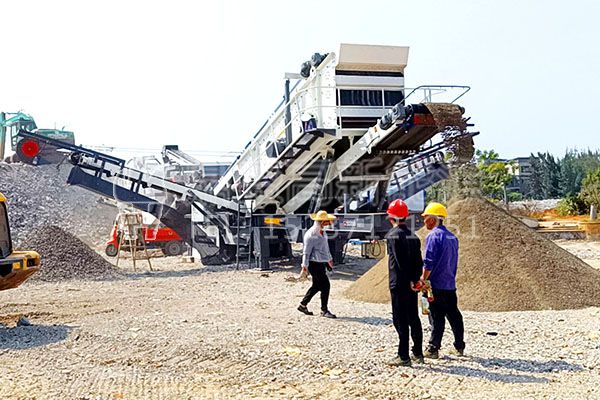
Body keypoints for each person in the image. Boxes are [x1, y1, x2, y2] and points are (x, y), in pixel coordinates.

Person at [420, 202, 465, 359]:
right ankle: (459, 346)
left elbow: (429, 262)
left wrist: (423, 279)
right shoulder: (452, 237)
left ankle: (433, 348)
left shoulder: (433, 236)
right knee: (454, 314)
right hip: (449, 283)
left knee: (436, 316)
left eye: (425, 218)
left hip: (436, 284)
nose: (424, 221)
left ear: (433, 219)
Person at [385, 199, 424, 367]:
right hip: (411, 284)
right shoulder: (414, 236)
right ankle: (418, 353)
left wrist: (407, 280)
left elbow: (400, 262)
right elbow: (418, 261)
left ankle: (403, 356)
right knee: (413, 317)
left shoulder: (393, 235)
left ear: (391, 217)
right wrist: (415, 280)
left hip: (399, 283)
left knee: (400, 320)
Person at [297, 210, 337, 318]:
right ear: (322, 222)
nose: (329, 223)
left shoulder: (322, 232)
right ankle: (324, 310)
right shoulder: (311, 235)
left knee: (316, 286)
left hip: (320, 262)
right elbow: (306, 252)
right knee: (325, 285)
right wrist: (304, 266)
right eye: (327, 221)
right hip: (314, 264)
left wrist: (329, 259)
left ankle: (303, 305)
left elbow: (325, 248)